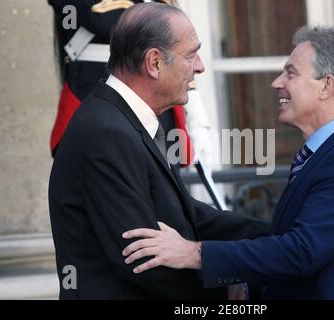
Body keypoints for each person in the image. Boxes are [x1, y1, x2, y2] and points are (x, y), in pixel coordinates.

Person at [121, 26, 334, 300]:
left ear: (327, 86)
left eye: (291, 73)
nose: (277, 83)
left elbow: (301, 252)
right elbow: (291, 246)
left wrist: (192, 253)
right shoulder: (331, 153)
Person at [48, 2, 268, 299]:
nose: (201, 66)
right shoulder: (108, 133)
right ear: (154, 63)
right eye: (191, 55)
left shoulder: (125, 119)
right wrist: (225, 291)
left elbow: (187, 214)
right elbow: (143, 261)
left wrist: (279, 238)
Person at [48, 0, 196, 166]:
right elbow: (102, 20)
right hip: (95, 99)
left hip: (157, 102)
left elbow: (177, 43)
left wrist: (196, 109)